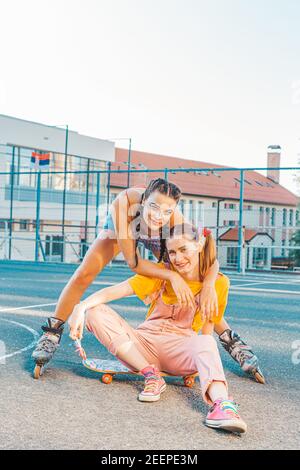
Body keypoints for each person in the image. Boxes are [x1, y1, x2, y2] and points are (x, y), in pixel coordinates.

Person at [32, 178, 263, 383]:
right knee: (84, 273)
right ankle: (52, 331)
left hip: (160, 237)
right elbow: (134, 263)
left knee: (196, 282)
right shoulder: (124, 204)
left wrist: (210, 285)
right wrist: (170, 274)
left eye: (166, 211)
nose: (158, 215)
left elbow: (208, 259)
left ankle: (231, 341)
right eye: (153, 206)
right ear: (143, 201)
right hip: (123, 230)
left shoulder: (171, 218)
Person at [68, 223, 248, 434]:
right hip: (142, 346)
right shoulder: (161, 273)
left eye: (183, 250)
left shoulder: (218, 283)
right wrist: (80, 307)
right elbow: (114, 291)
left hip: (181, 350)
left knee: (206, 341)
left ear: (199, 245)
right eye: (172, 252)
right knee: (95, 311)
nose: (177, 258)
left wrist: (204, 365)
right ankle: (151, 375)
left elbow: (208, 328)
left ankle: (222, 405)